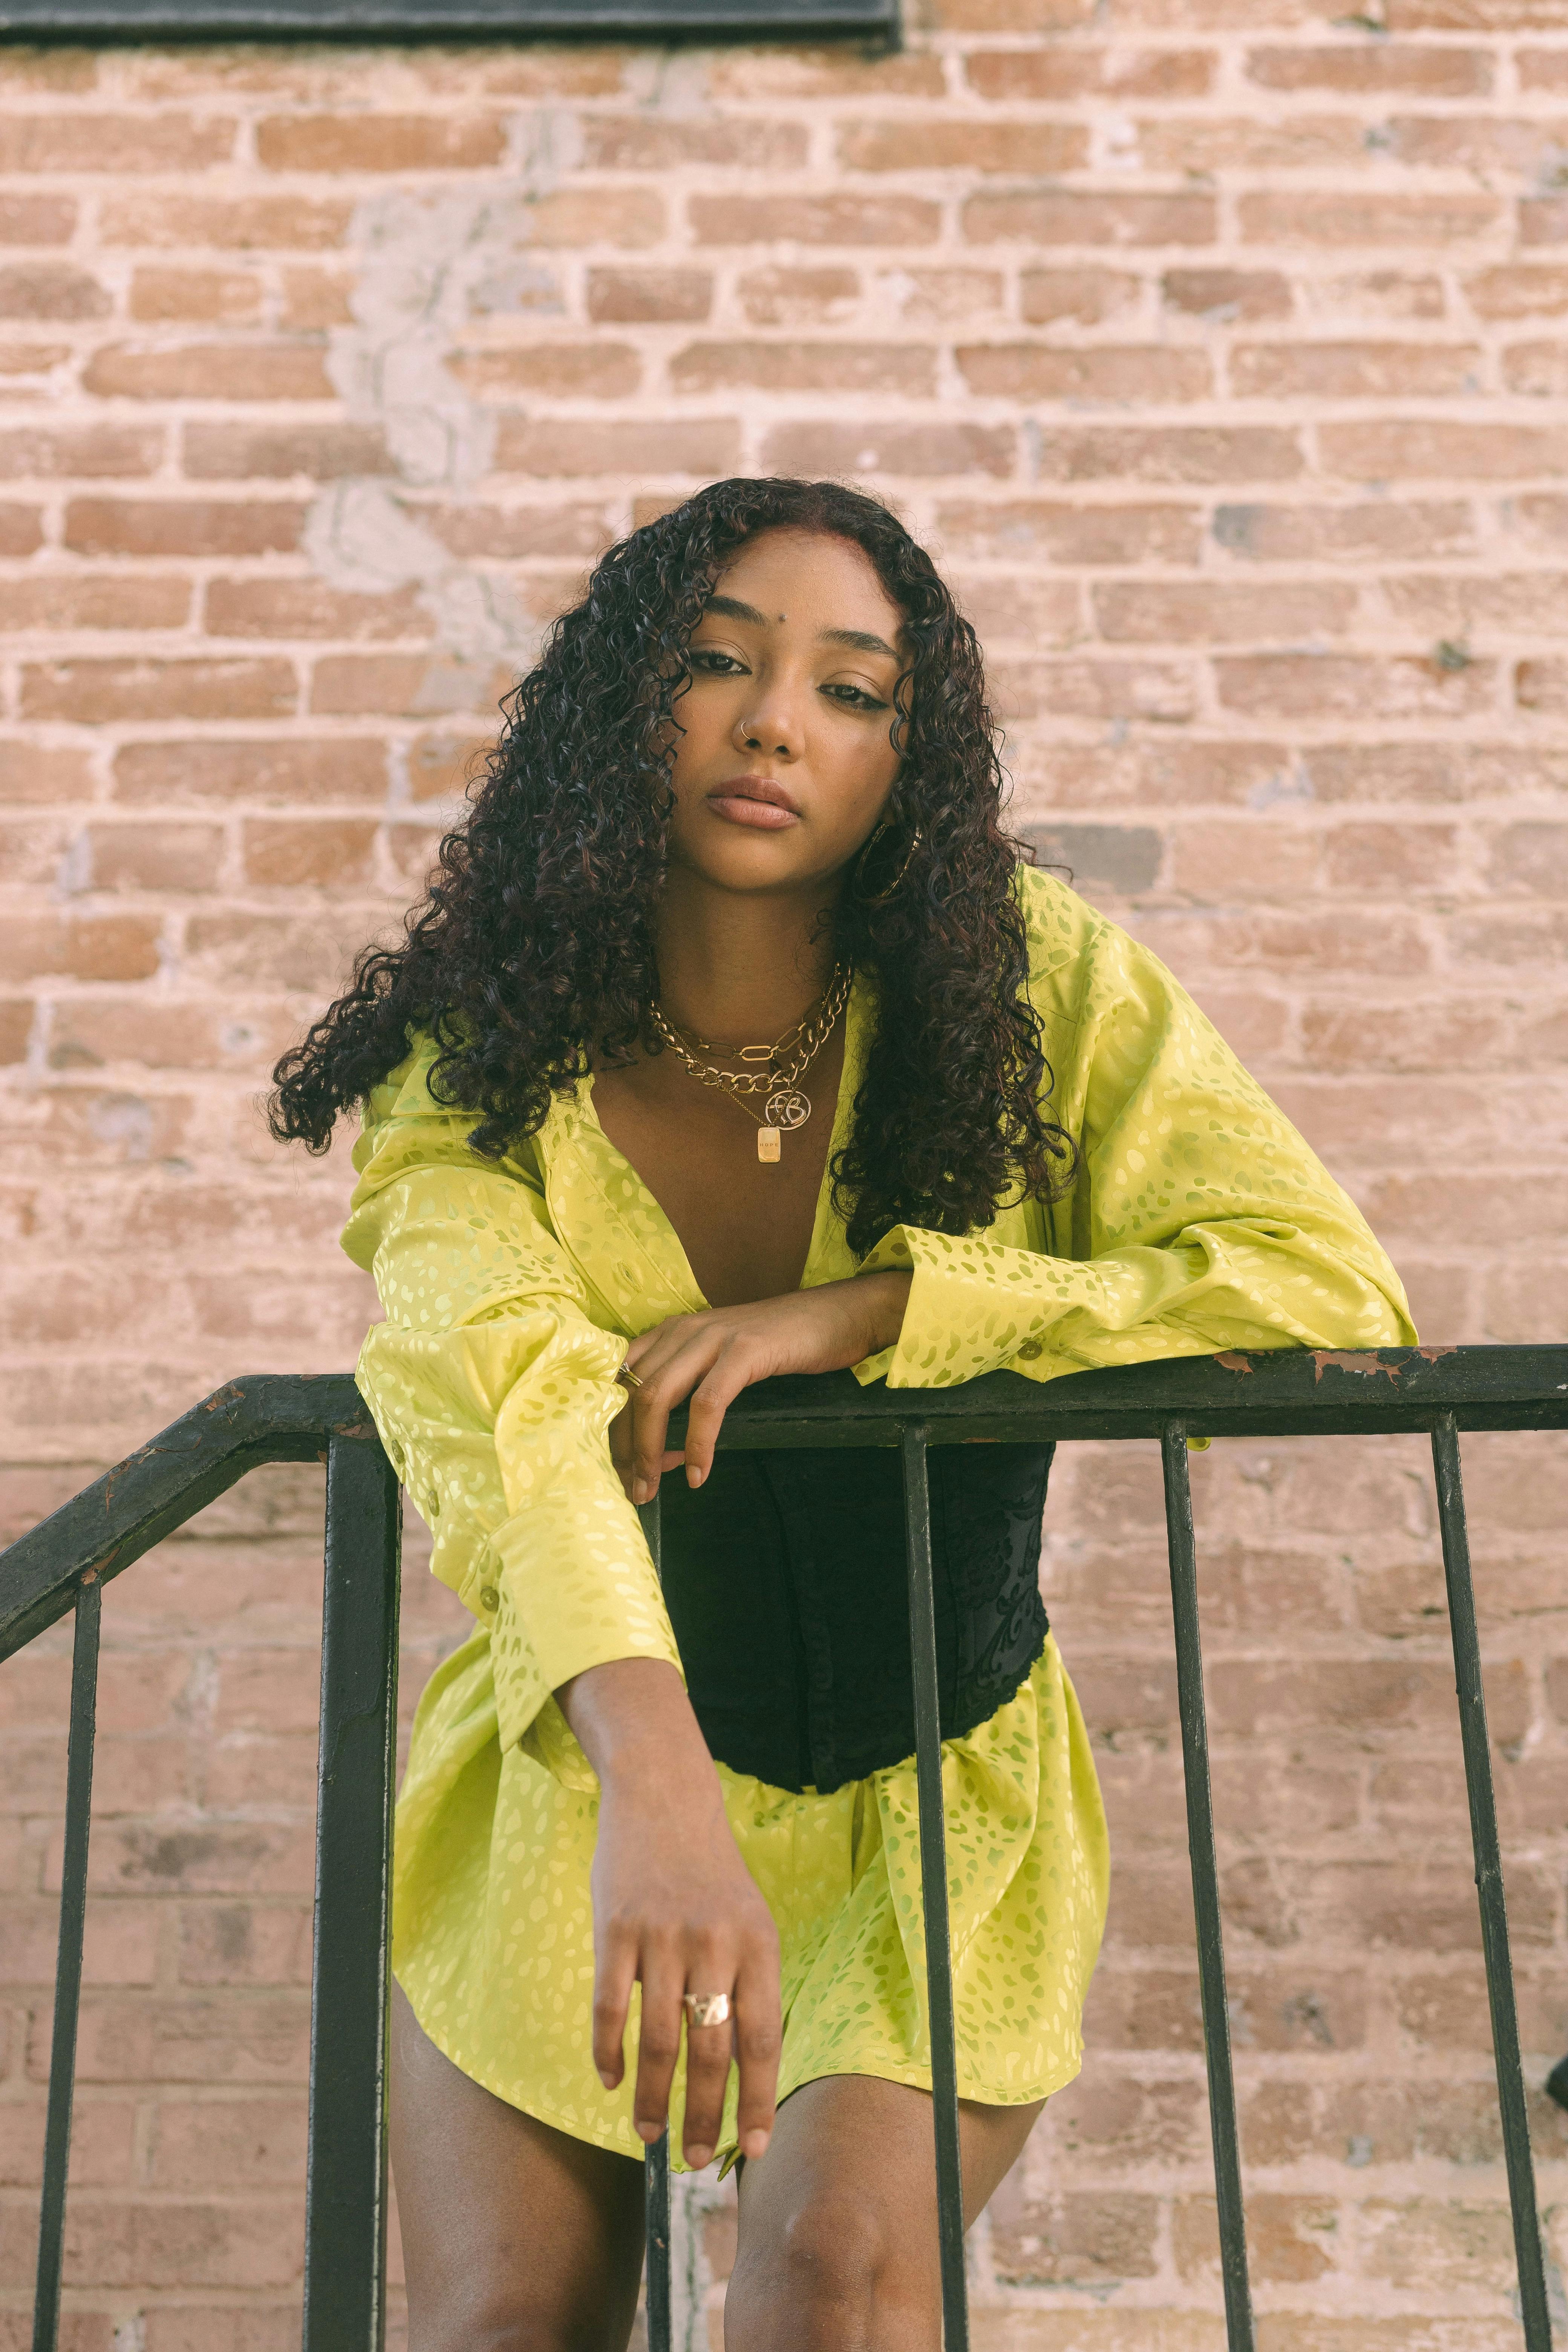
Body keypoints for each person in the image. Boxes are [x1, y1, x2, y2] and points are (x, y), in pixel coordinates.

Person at [268, 477, 1413, 2352]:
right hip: (581, 1776)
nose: (773, 720)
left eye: (852, 689)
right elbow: (508, 1411)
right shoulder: (471, 1059)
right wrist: (655, 1776)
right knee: (498, 2329)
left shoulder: (1030, 985)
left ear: (911, 752)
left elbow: (1316, 1285)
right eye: (715, 662)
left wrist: (887, 1307)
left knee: (823, 2281)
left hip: (930, 1787)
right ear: (617, 713)